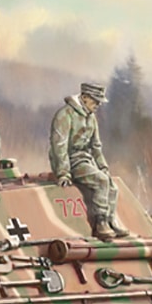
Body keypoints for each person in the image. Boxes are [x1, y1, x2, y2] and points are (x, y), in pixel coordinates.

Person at [49, 82, 128, 240]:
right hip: (71, 160)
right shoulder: (65, 115)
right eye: (95, 100)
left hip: (86, 160)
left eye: (99, 101)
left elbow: (96, 146)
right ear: (84, 98)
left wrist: (103, 166)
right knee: (101, 181)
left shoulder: (91, 118)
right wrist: (63, 173)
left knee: (112, 186)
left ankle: (111, 220)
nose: (98, 105)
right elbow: (59, 146)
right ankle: (101, 223)